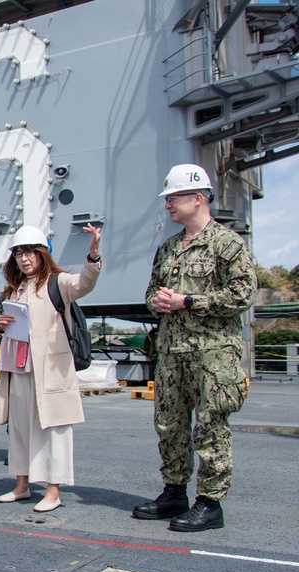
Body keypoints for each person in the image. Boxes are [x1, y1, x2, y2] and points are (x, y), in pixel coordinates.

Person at [133, 164, 256, 532]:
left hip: (213, 354)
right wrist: (157, 301)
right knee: (169, 425)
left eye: (173, 198)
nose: (168, 205)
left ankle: (210, 502)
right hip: (172, 353)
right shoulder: (169, 248)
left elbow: (242, 294)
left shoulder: (227, 244)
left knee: (210, 426)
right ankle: (174, 492)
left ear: (198, 198)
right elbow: (151, 291)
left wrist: (187, 301)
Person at [0, 224, 101, 512]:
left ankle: (53, 490)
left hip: (50, 369)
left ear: (42, 253)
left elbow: (83, 284)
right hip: (19, 367)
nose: (23, 259)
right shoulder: (15, 288)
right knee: (20, 429)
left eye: (29, 252)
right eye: (18, 253)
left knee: (54, 429)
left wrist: (92, 257)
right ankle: (22, 485)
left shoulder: (57, 282)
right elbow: (10, 323)